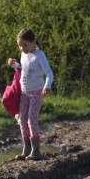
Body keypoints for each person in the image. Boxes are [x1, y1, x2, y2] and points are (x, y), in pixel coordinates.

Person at [7, 28, 53, 160]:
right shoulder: (24, 54)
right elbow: (23, 69)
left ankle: (36, 150)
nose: (22, 48)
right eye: (20, 45)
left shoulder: (39, 55)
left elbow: (49, 73)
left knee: (31, 120)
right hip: (24, 93)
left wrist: (47, 86)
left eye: (25, 45)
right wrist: (14, 64)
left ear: (33, 42)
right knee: (22, 120)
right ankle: (26, 149)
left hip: (36, 93)